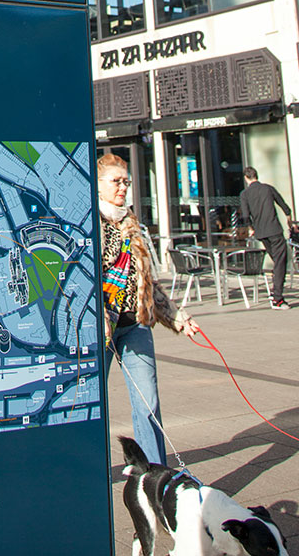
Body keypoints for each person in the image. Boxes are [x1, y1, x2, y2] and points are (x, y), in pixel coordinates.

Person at [98, 153, 199, 465]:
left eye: (126, 182)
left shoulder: (132, 222)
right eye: (116, 181)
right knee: (89, 405)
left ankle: (155, 473)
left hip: (135, 325)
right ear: (98, 183)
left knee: (148, 403)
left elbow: (147, 281)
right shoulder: (87, 222)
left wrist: (178, 318)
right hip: (100, 329)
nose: (123, 187)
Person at [239, 166, 293, 309]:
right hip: (274, 230)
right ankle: (278, 299)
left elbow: (245, 216)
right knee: (280, 262)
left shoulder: (245, 194)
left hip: (261, 234)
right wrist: (289, 221)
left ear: (246, 178)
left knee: (277, 261)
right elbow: (284, 207)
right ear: (256, 175)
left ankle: (276, 292)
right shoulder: (268, 189)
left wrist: (251, 228)